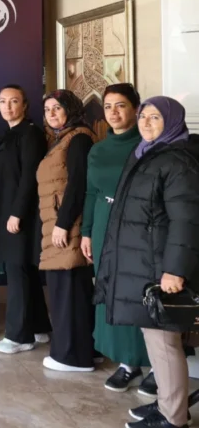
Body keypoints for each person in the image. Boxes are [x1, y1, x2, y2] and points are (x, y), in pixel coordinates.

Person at [95, 96, 199, 428]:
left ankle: (173, 418)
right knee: (155, 337)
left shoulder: (177, 160)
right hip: (144, 262)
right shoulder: (146, 153)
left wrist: (175, 270)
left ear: (172, 121)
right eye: (143, 116)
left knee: (164, 342)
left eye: (155, 117)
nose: (146, 122)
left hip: (160, 267)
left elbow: (186, 220)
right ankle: (169, 403)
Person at [79, 84, 151, 392]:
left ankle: (155, 364)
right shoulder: (97, 149)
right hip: (102, 225)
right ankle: (126, 363)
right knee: (110, 292)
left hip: (136, 226)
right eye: (108, 107)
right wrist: (86, 232)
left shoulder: (148, 145)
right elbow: (91, 192)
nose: (113, 112)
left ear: (136, 108)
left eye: (120, 105)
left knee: (138, 293)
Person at [37, 90, 96, 373]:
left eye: (57, 108)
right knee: (67, 289)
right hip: (58, 222)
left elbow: (77, 184)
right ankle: (85, 351)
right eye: (47, 109)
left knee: (69, 290)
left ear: (70, 109)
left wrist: (63, 223)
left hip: (67, 225)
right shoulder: (62, 138)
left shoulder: (79, 138)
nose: (51, 113)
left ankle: (72, 357)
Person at [0, 86, 52, 354]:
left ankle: (19, 337)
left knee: (18, 273)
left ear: (24, 105)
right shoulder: (10, 134)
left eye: (13, 101)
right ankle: (39, 327)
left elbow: (29, 177)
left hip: (21, 215)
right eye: (2, 101)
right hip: (7, 213)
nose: (7, 106)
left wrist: (17, 213)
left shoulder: (30, 134)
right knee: (24, 271)